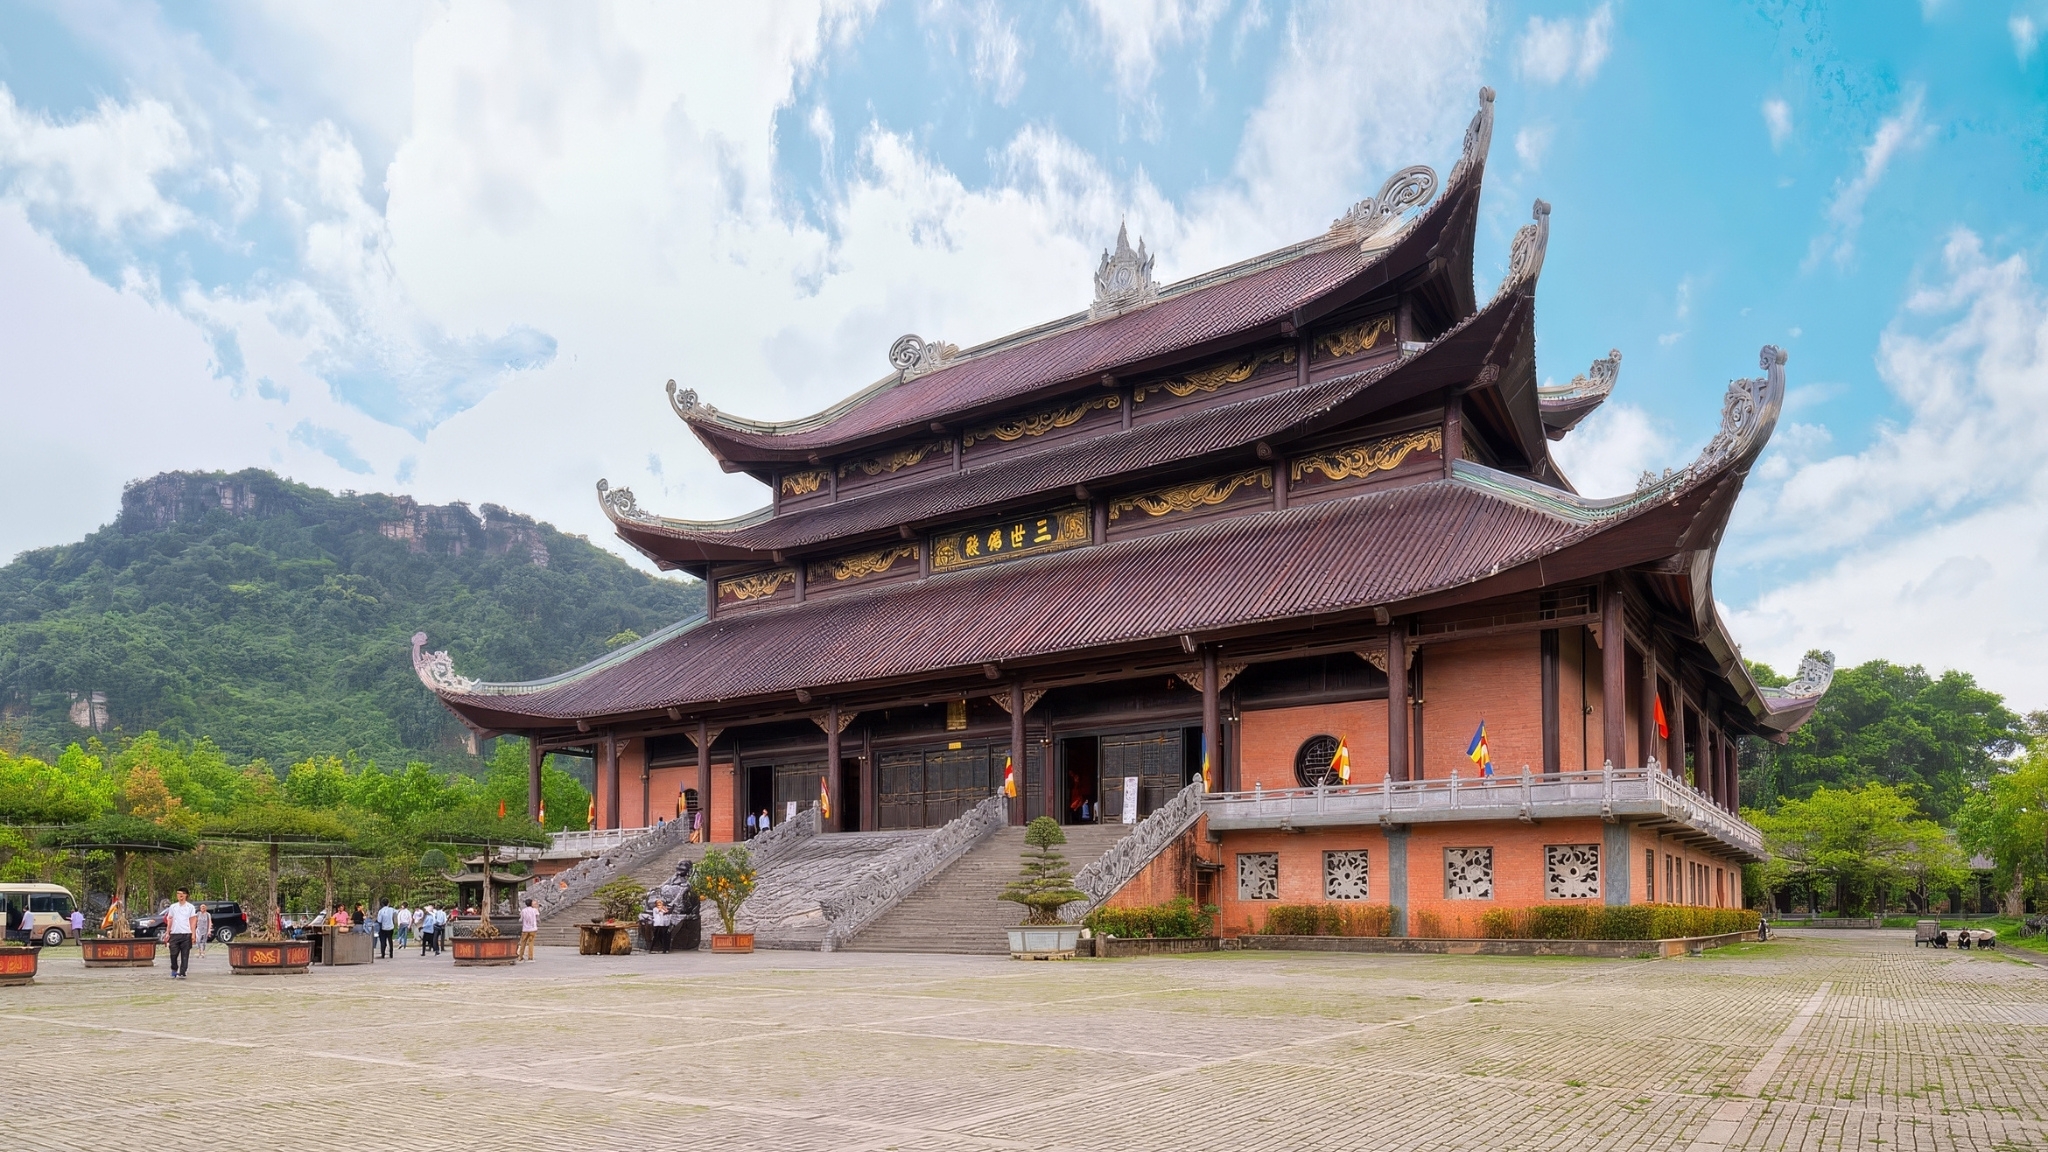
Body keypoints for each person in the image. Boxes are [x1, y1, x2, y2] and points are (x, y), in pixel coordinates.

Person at [163, 889, 198, 979]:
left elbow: (193, 921)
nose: (180, 895)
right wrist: (168, 932)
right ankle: (174, 968)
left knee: (185, 954)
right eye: (178, 894)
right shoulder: (173, 907)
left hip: (186, 933)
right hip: (175, 933)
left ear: (186, 895)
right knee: (173, 954)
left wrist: (193, 934)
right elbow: (169, 919)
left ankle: (183, 971)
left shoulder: (190, 907)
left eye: (182, 894)